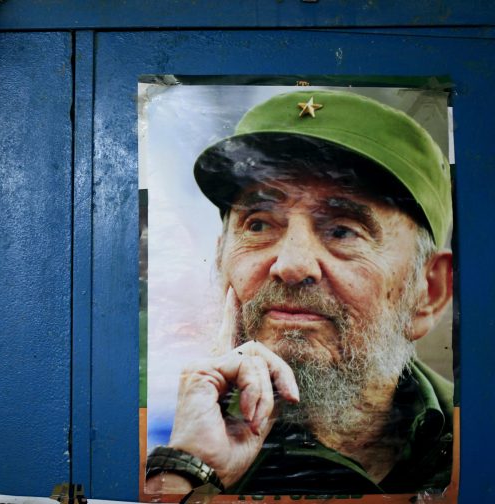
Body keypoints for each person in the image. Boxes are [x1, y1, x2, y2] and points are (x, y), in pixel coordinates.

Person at [144, 90, 454, 495]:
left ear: (429, 292)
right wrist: (189, 468)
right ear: (220, 261)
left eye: (342, 230)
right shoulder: (144, 428)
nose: (291, 266)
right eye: (258, 225)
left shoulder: (478, 438)